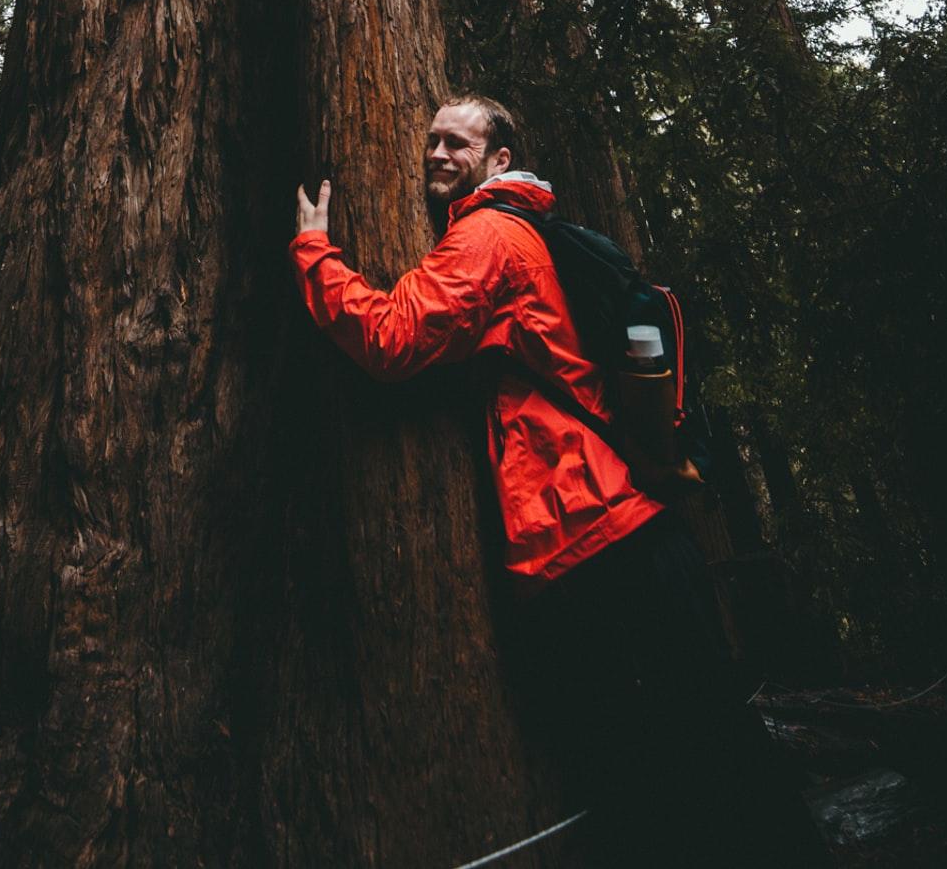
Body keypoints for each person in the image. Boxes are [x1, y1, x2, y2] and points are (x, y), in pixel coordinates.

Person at [291, 95, 828, 868]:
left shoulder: (488, 235)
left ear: (499, 159)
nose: (437, 153)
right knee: (716, 762)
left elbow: (392, 335)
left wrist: (315, 250)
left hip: (595, 546)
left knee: (663, 783)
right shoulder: (526, 231)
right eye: (432, 140)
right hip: (629, 530)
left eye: (458, 143)